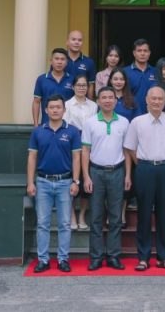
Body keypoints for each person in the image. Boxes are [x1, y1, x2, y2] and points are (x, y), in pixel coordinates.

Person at [123, 85, 165, 271]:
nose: (157, 101)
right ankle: (143, 257)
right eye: (153, 98)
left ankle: (163, 257)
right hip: (145, 169)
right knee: (144, 213)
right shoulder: (137, 122)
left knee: (163, 214)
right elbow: (130, 148)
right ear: (147, 101)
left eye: (160, 98)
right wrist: (142, 163)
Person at [26, 95, 81, 273]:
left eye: (58, 107)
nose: (55, 110)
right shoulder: (38, 131)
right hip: (42, 182)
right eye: (52, 107)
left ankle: (63, 259)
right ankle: (43, 260)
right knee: (43, 223)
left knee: (65, 223)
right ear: (46, 110)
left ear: (64, 110)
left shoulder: (72, 131)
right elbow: (32, 157)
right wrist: (30, 182)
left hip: (65, 182)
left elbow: (76, 157)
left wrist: (76, 181)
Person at [81, 86, 131, 271]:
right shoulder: (90, 122)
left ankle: (113, 256)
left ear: (116, 101)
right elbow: (85, 150)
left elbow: (127, 151)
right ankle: (95, 257)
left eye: (111, 97)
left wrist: (127, 175)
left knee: (116, 217)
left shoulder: (124, 122)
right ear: (98, 101)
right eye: (104, 97)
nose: (108, 100)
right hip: (96, 172)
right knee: (95, 217)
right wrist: (86, 176)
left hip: (117, 172)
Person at [64, 74, 98, 230]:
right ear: (73, 87)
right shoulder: (67, 105)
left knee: (86, 181)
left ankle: (82, 214)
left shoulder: (93, 106)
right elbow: (65, 125)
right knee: (72, 179)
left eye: (84, 85)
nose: (82, 88)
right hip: (72, 143)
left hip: (90, 145)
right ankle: (71, 215)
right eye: (79, 85)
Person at [32, 48, 73, 125]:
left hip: (67, 125)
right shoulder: (42, 79)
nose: (59, 62)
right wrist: (36, 125)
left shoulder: (72, 79)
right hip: (46, 125)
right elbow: (36, 102)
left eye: (62, 59)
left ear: (67, 62)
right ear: (51, 61)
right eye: (56, 59)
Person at [126, 39, 160, 115]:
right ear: (134, 53)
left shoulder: (156, 72)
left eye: (145, 51)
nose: (142, 53)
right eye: (139, 51)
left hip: (153, 115)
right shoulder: (125, 72)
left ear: (149, 53)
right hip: (131, 115)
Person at [65, 29, 97, 94]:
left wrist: (89, 103)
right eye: (73, 39)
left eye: (80, 40)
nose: (77, 42)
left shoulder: (89, 62)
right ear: (67, 42)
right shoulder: (60, 60)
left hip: (82, 101)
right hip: (62, 100)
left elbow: (91, 85)